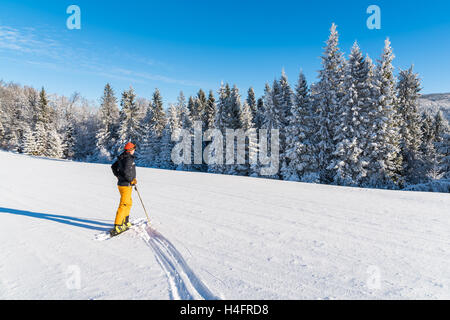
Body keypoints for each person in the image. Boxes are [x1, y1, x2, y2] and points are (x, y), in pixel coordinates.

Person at [110, 142, 137, 236]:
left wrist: (117, 175)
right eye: (134, 148)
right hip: (125, 184)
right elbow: (126, 172)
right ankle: (118, 225)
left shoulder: (122, 156)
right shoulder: (128, 158)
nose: (134, 150)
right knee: (124, 204)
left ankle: (125, 221)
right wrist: (131, 180)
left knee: (128, 202)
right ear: (130, 150)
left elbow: (113, 167)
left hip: (123, 184)